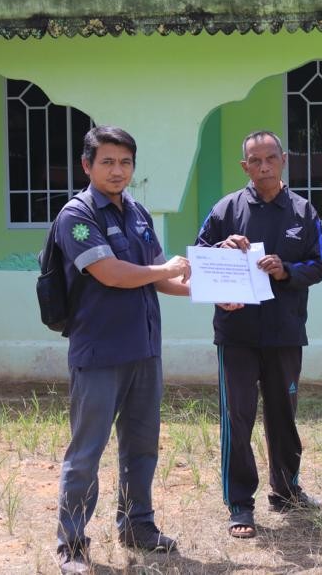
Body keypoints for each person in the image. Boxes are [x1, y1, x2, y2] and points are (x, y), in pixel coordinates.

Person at [54, 126, 190, 573]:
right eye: (108, 162)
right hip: (99, 353)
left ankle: (138, 526)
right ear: (87, 165)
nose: (118, 171)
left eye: (125, 162)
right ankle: (71, 545)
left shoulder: (136, 212)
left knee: (142, 445)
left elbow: (159, 276)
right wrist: (164, 269)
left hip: (144, 350)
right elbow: (111, 273)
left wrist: (208, 289)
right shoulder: (77, 216)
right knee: (86, 453)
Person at [196, 130, 322, 539]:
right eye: (256, 160)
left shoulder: (303, 212)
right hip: (236, 334)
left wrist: (286, 271)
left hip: (285, 332)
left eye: (271, 158)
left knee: (282, 415)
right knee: (237, 417)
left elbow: (321, 265)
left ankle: (286, 490)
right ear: (245, 167)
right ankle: (240, 503)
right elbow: (200, 259)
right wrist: (223, 247)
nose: (264, 166)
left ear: (284, 159)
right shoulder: (226, 209)